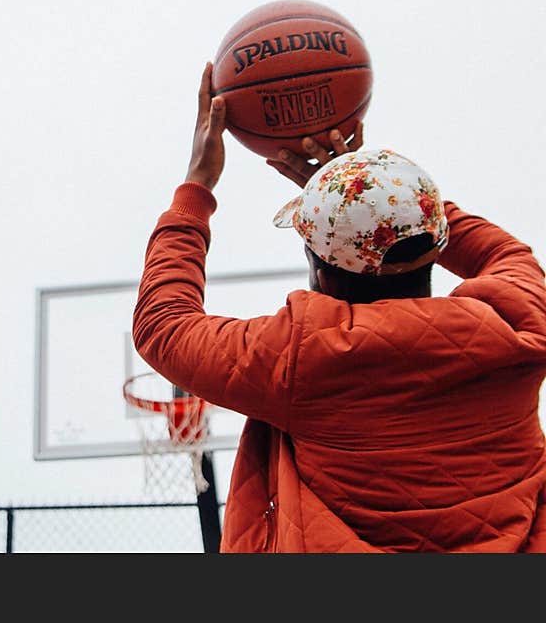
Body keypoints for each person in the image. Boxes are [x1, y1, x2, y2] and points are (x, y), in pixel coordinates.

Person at [132, 63, 546, 552]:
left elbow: (164, 324)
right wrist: (376, 189)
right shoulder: (520, 322)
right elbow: (505, 254)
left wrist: (196, 187)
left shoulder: (301, 358)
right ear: (435, 244)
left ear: (318, 267)